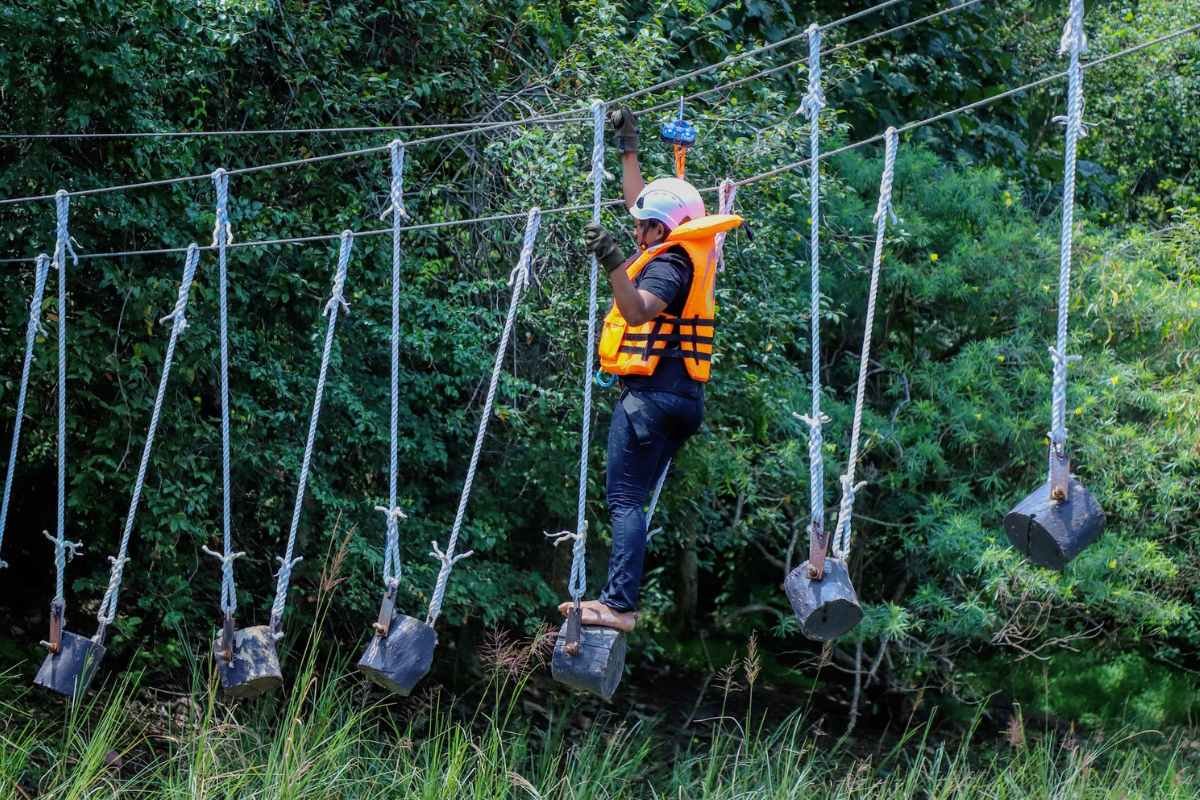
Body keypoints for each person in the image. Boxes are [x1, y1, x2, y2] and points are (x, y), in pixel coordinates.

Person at [558, 108, 740, 633]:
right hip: (678, 397)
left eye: (646, 228)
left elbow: (637, 310)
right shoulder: (685, 247)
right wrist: (629, 147)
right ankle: (617, 602)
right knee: (629, 499)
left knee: (625, 500)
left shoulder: (669, 263)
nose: (638, 232)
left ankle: (618, 606)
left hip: (652, 400)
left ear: (669, 227)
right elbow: (641, 198)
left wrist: (614, 262)